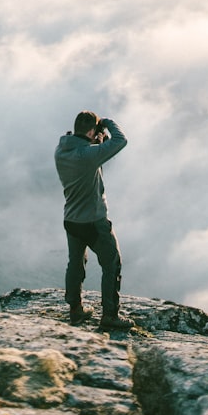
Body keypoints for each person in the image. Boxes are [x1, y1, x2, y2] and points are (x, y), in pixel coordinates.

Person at [54, 111, 134, 330]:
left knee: (76, 264)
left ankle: (75, 310)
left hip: (71, 220)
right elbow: (121, 141)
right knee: (111, 263)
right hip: (94, 222)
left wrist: (97, 140)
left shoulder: (61, 150)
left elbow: (95, 153)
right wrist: (107, 123)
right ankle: (110, 316)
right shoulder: (88, 155)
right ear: (91, 132)